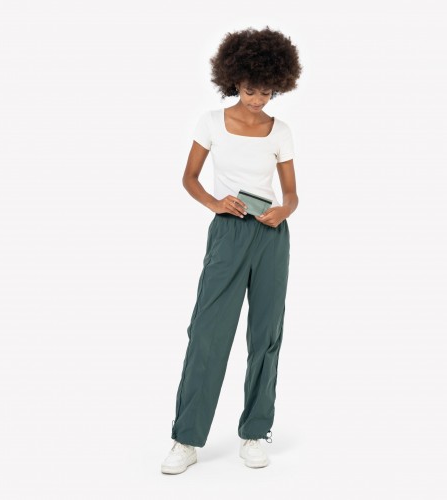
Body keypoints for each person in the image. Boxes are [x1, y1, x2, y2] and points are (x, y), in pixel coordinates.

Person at [161, 26, 302, 474]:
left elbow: (292, 194)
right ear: (234, 80)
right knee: (207, 333)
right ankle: (186, 439)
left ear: (278, 86)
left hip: (271, 236)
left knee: (266, 335)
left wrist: (283, 211)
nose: (257, 99)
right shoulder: (210, 122)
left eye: (266, 91)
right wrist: (214, 203)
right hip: (228, 232)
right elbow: (189, 178)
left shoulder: (281, 131)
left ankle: (255, 432)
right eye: (249, 89)